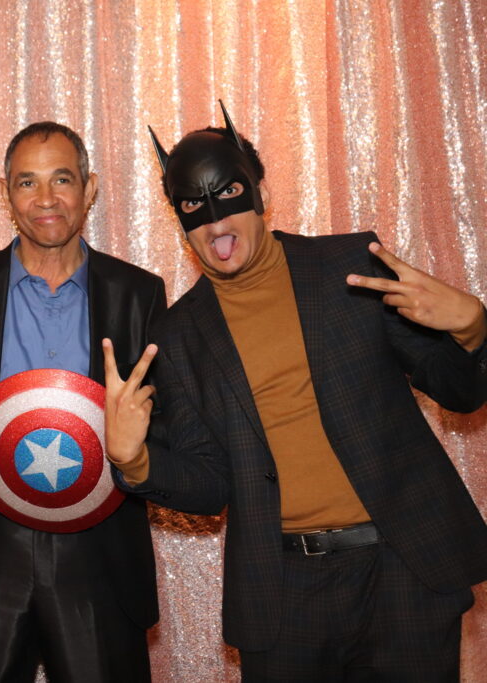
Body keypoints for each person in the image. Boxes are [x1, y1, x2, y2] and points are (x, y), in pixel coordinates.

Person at [105, 103, 487, 681]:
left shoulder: (352, 268)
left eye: (228, 192)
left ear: (257, 191)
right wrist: (134, 461)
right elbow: (211, 487)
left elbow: (460, 393)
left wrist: (473, 329)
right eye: (191, 206)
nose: (213, 220)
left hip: (403, 568)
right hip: (282, 595)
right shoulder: (176, 336)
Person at [0, 122, 166, 682]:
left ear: (90, 189)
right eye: (27, 182)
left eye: (62, 180)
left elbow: (165, 424)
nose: (45, 199)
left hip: (99, 561)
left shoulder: (138, 294)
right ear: (5, 192)